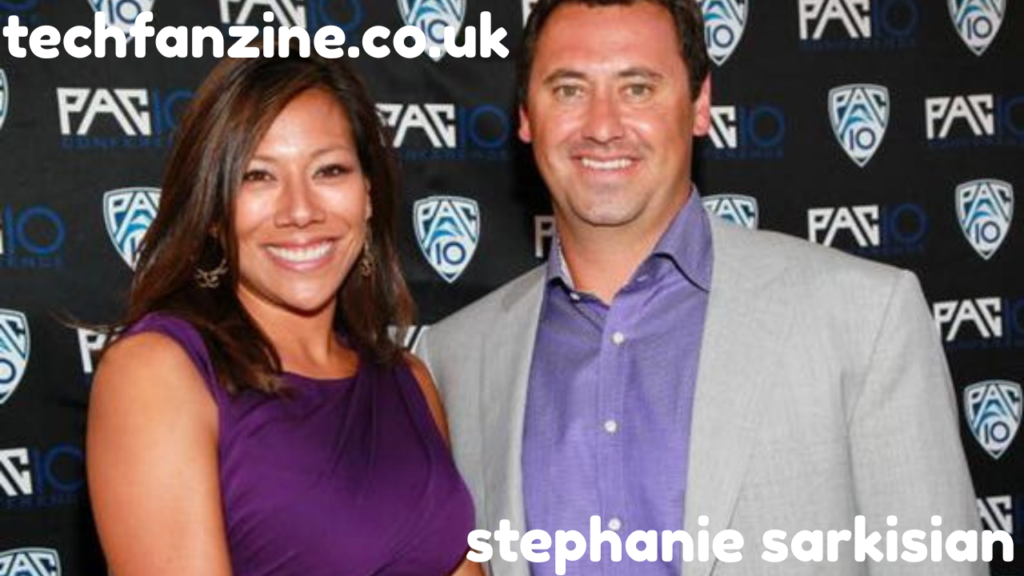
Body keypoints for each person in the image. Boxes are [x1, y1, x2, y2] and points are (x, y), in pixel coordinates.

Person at [415, 0, 983, 574]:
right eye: (568, 90)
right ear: (526, 115)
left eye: (638, 89)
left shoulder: (864, 317)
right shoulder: (455, 358)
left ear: (700, 104)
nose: (602, 126)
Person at [86, 50, 482, 576]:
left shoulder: (409, 381)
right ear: (213, 213)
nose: (300, 210)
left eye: (329, 170)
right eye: (258, 176)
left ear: (367, 193)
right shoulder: (159, 372)